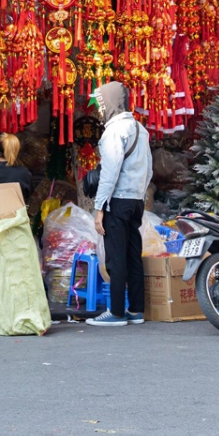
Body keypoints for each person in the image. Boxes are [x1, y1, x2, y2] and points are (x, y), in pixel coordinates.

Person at [86, 81, 153, 328]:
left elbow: (110, 173)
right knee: (133, 254)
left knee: (116, 256)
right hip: (135, 201)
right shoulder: (140, 129)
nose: (99, 110)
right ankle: (136, 310)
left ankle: (115, 311)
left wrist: (99, 208)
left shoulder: (113, 132)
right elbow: (149, 170)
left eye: (101, 104)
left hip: (117, 201)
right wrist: (139, 194)